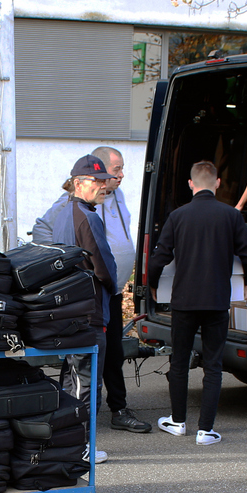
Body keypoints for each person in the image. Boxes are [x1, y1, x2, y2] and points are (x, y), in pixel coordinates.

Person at [31, 153, 151, 436]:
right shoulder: (86, 218)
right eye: (96, 181)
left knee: (74, 378)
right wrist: (113, 288)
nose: (102, 186)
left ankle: (70, 441)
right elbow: (103, 265)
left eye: (103, 181)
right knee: (87, 380)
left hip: (74, 309)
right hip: (90, 309)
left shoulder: (69, 213)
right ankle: (84, 445)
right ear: (78, 183)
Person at [146, 160, 247, 446]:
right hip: (217, 301)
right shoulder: (230, 216)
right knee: (214, 364)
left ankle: (178, 421)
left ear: (191, 184)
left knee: (179, 361)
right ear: (217, 183)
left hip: (184, 301)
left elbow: (159, 257)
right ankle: (206, 430)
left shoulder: (178, 216)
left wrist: (153, 287)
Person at [89, 146, 149, 434]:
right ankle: (88, 414)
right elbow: (45, 230)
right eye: (117, 169)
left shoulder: (118, 196)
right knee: (96, 352)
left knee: (113, 350)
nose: (123, 175)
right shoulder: (76, 204)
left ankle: (118, 408)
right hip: (93, 292)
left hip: (113, 290)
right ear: (99, 171)